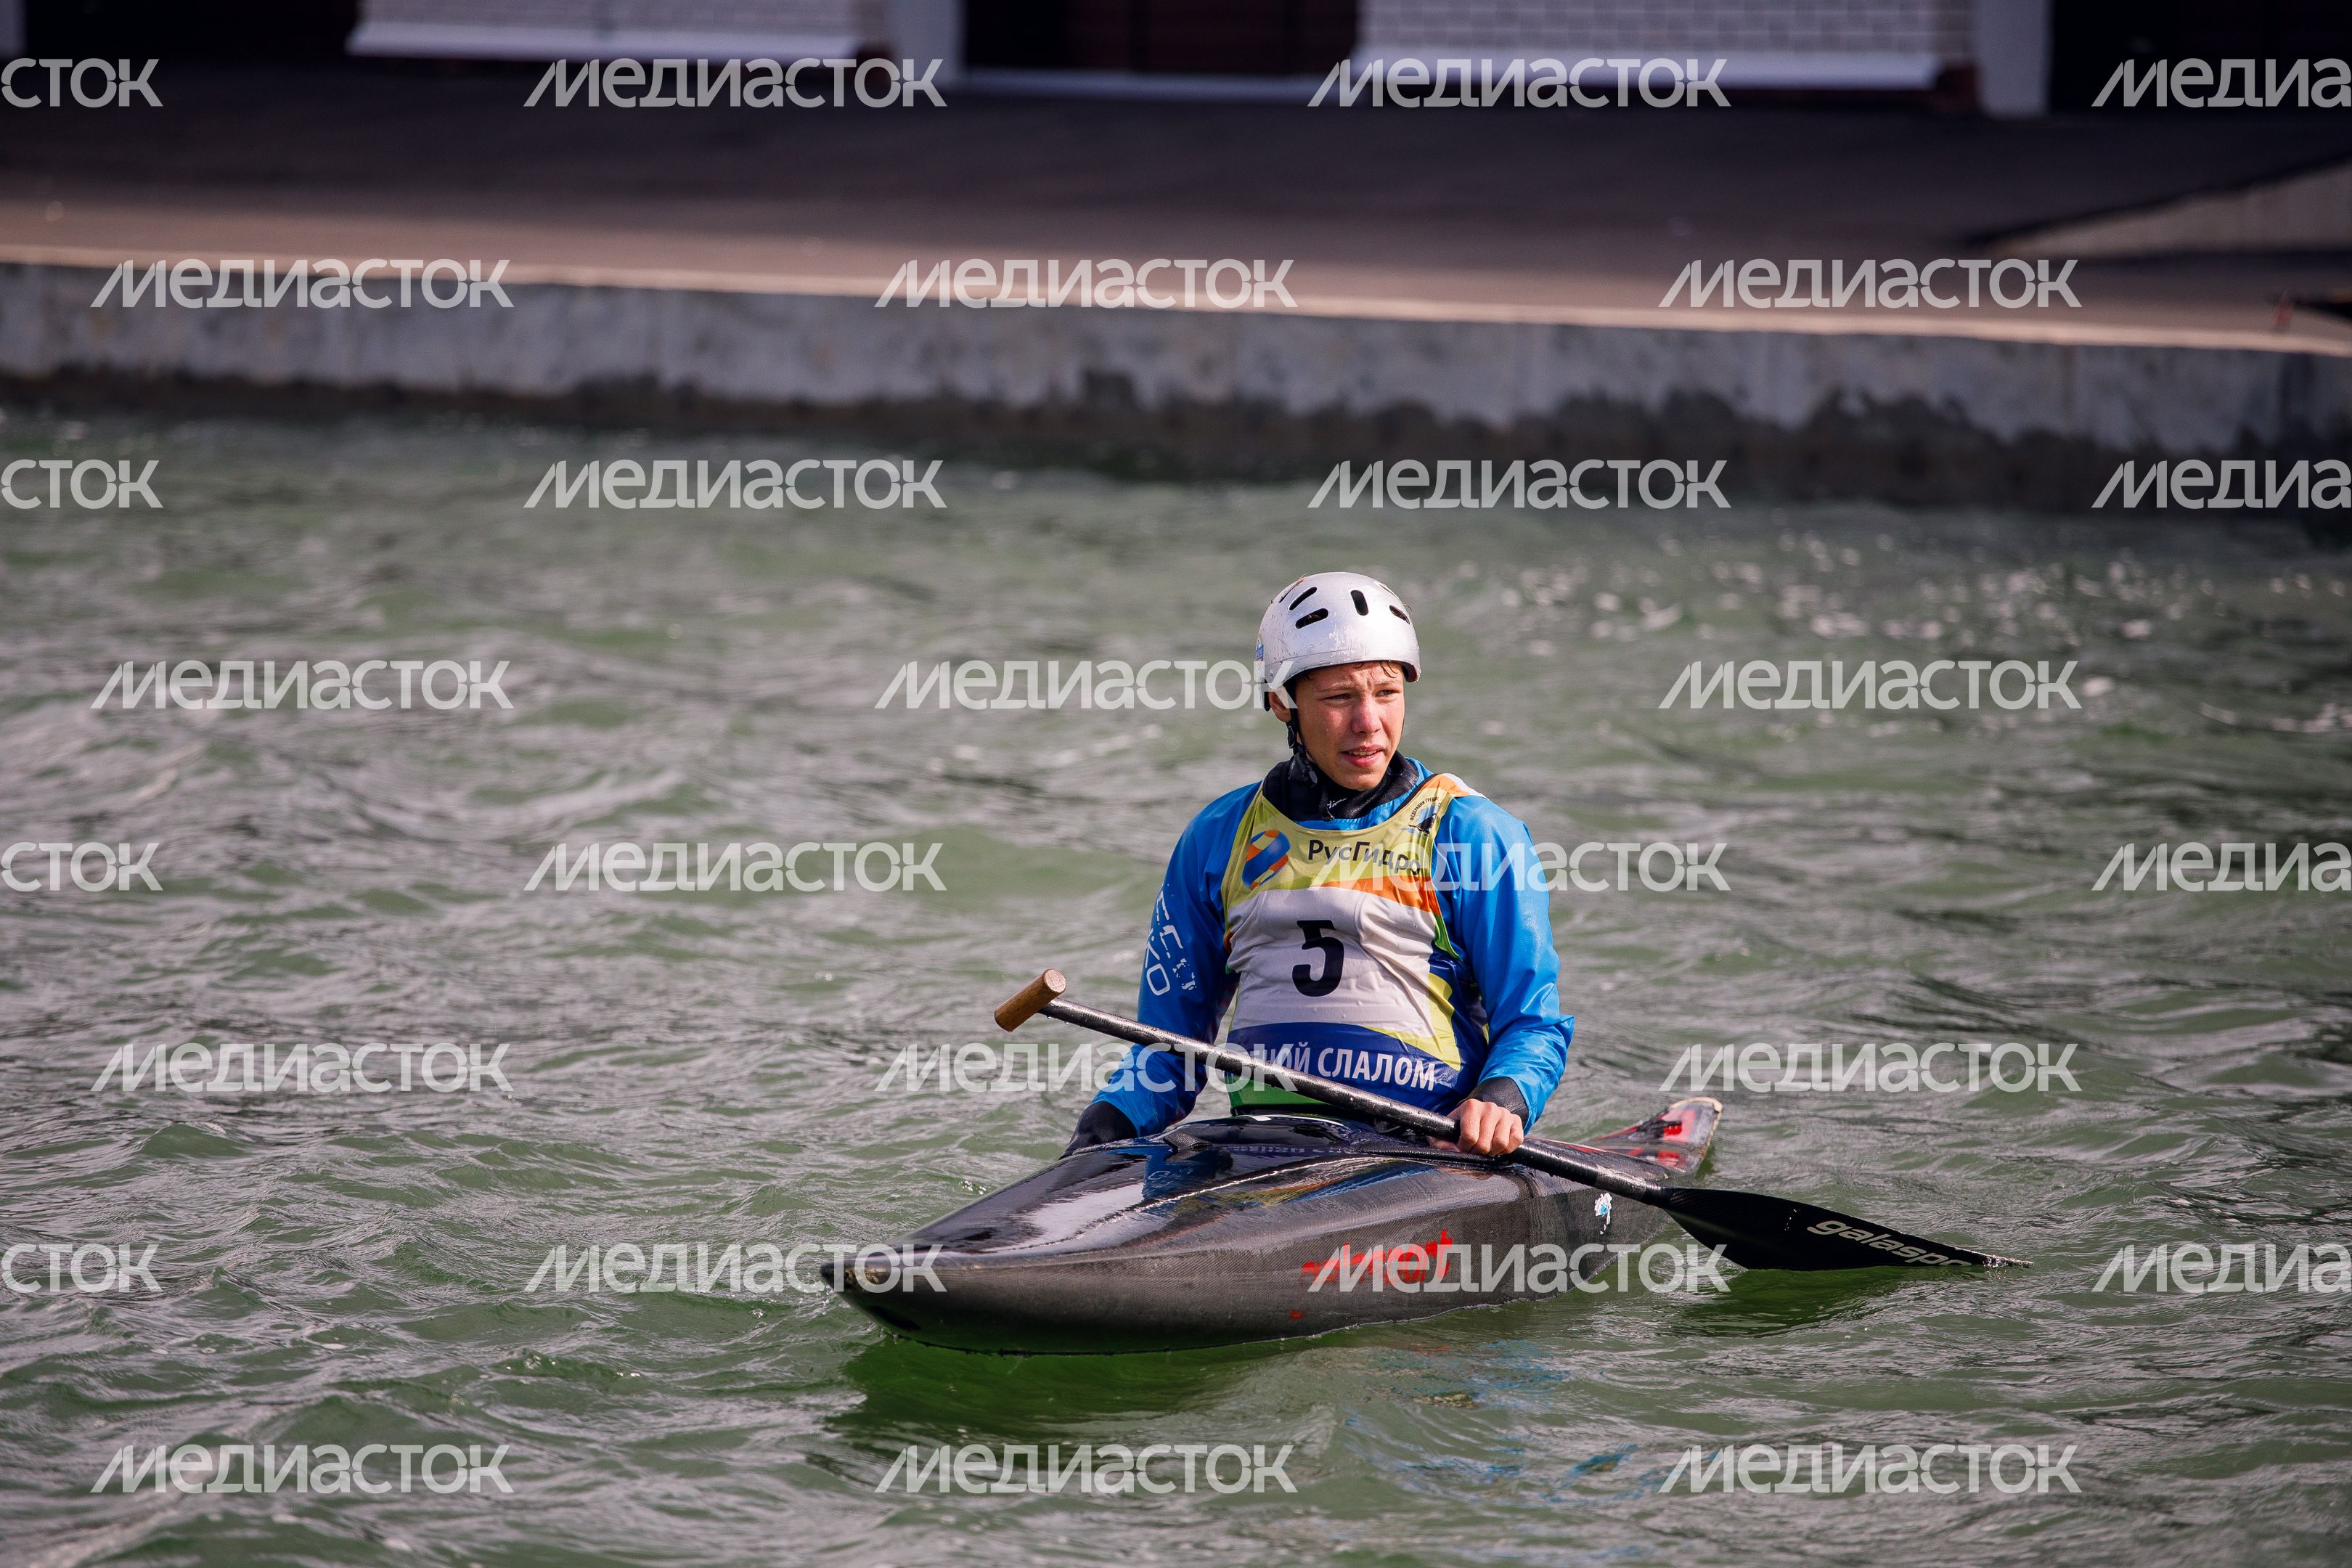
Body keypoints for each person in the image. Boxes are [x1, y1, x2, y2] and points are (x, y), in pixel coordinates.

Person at [1065, 570, 1572, 1159]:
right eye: (1339, 698)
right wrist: (1110, 1119)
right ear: (1283, 702)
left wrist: (1504, 1095)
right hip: (1259, 1150)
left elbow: (1533, 1023)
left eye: (1386, 693)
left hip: (1420, 1153)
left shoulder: (1472, 834)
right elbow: (1167, 1048)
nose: (1369, 723)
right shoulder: (1219, 837)